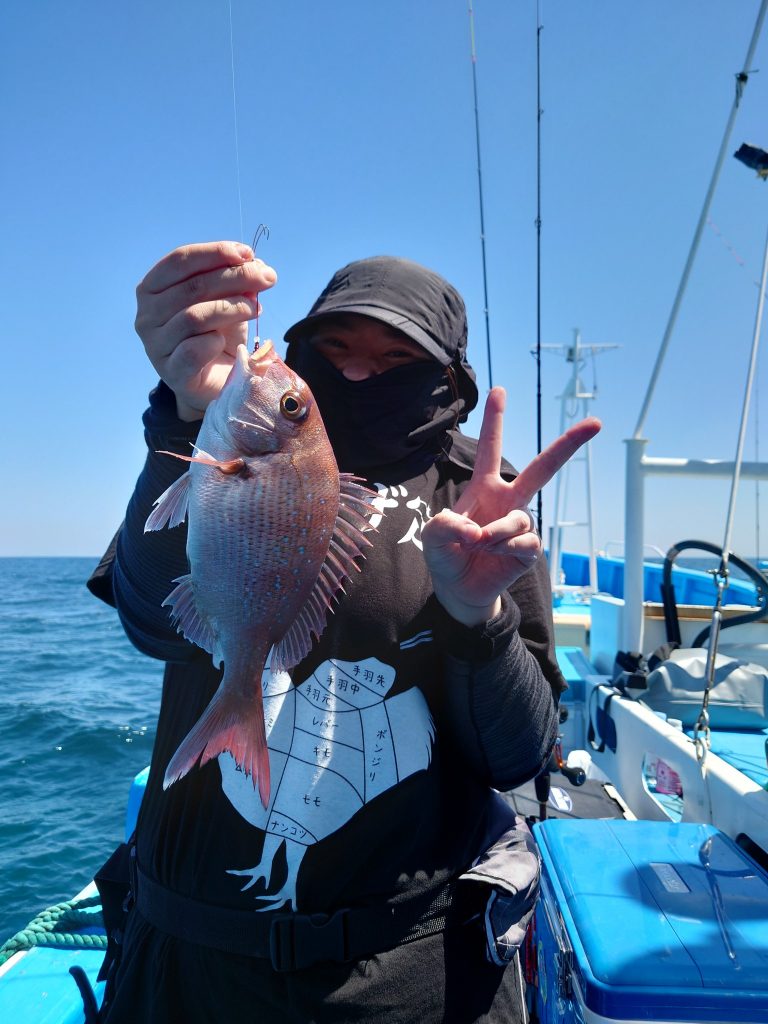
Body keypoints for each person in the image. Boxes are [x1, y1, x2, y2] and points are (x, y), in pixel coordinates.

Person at [88, 242, 598, 1024]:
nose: (359, 372)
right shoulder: (211, 440)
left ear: (446, 376)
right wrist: (183, 413)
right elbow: (153, 622)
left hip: (408, 976)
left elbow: (517, 755)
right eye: (335, 347)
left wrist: (477, 616)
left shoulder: (478, 497)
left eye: (396, 357)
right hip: (189, 967)